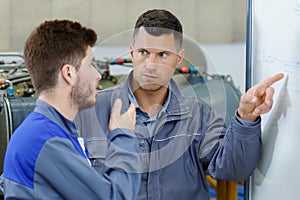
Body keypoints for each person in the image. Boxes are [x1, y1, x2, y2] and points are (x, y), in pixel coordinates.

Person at [75, 9, 284, 199]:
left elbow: (234, 169)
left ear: (179, 58)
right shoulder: (90, 110)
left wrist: (246, 117)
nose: (151, 65)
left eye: (163, 55)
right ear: (131, 53)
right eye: (143, 53)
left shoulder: (199, 115)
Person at [2, 19, 141, 199]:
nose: (98, 75)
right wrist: (123, 135)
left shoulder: (52, 133)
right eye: (90, 65)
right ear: (69, 74)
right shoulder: (45, 140)